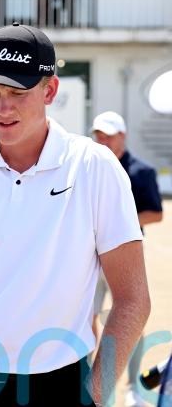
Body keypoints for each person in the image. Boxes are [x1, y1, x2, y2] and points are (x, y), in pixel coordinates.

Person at [0, 22, 150, 406]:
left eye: (18, 92)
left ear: (49, 90)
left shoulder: (94, 167)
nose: (2, 108)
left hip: (55, 382)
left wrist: (94, 397)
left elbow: (133, 299)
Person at [91, 110, 163, 407]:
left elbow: (156, 213)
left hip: (124, 256)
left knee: (129, 319)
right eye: (99, 135)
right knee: (84, 319)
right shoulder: (89, 168)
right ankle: (87, 385)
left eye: (109, 136)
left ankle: (134, 388)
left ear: (123, 136)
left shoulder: (141, 171)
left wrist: (116, 224)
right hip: (89, 256)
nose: (103, 141)